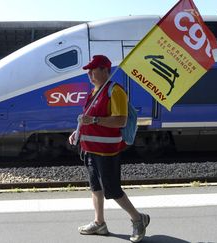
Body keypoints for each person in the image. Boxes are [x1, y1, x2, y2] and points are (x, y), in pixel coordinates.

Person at [68, 55, 150, 243]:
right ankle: (100, 223)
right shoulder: (95, 91)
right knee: (95, 187)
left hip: (106, 151)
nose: (89, 73)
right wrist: (77, 132)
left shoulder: (115, 91)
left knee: (112, 190)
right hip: (90, 149)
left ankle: (138, 219)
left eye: (93, 69)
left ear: (105, 70)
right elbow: (87, 118)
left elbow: (120, 120)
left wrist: (95, 120)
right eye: (88, 70)